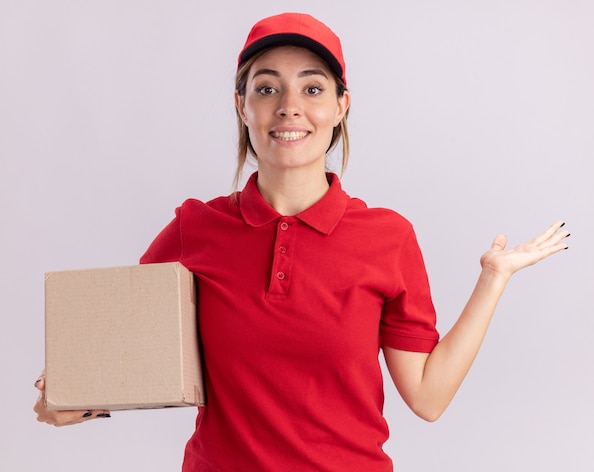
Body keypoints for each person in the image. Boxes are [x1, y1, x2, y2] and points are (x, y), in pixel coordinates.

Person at [34, 12, 569, 471]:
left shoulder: (388, 237)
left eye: (312, 88)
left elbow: (428, 397)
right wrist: (74, 396)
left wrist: (493, 280)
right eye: (267, 88)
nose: (289, 106)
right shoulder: (196, 228)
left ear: (341, 106)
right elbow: (132, 356)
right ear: (242, 106)